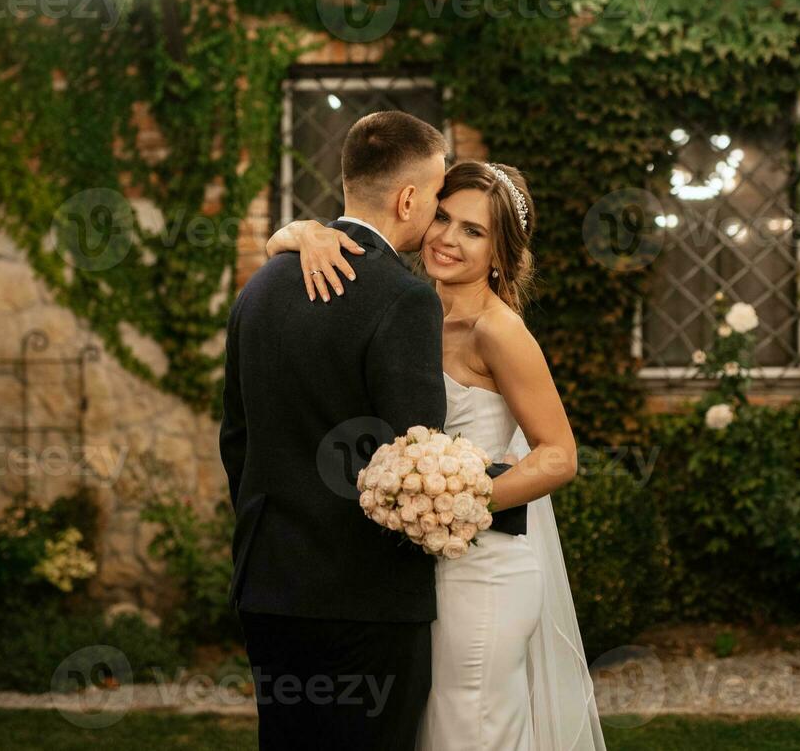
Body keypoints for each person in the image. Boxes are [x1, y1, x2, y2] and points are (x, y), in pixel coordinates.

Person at [267, 155, 608, 750]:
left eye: (473, 231)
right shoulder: (410, 311)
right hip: (421, 573)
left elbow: (559, 455)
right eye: (443, 217)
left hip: (485, 570)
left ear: (500, 255)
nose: (448, 238)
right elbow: (295, 240)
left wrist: (458, 501)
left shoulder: (497, 332)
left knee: (469, 730)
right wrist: (302, 233)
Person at [219, 110, 525, 750]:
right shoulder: (404, 299)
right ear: (410, 198)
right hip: (365, 599)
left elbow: (236, 438)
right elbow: (415, 454)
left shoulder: (261, 284)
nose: (438, 213)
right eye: (438, 197)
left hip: (268, 584)